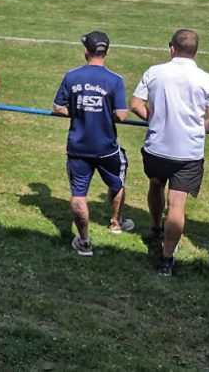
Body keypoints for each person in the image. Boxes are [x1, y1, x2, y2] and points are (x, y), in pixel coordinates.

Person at [129, 28, 209, 277]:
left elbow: (135, 104)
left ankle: (155, 228)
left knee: (155, 185)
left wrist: (154, 119)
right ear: (195, 51)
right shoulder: (207, 79)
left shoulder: (154, 72)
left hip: (157, 148)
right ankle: (166, 258)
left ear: (172, 48)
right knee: (177, 204)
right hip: (188, 153)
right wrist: (199, 129)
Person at [52, 31, 133, 257]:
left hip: (78, 148)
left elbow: (58, 106)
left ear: (85, 51)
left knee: (79, 193)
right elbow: (122, 114)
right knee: (116, 183)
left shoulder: (71, 76)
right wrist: (104, 114)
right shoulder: (115, 80)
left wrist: (78, 112)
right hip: (106, 148)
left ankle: (85, 242)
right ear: (107, 52)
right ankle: (116, 223)